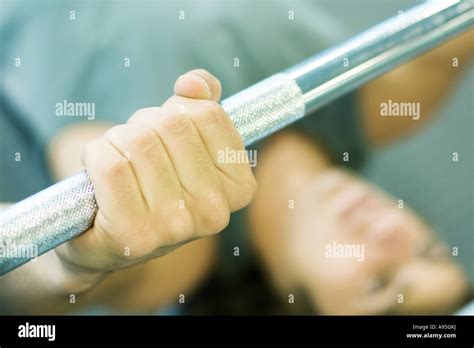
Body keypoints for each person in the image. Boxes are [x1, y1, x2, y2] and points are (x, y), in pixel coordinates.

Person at [0, 0, 472, 314]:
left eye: (379, 283)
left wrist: (73, 265)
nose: (392, 237)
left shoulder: (174, 246)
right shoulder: (394, 99)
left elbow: (38, 276)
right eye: (427, 250)